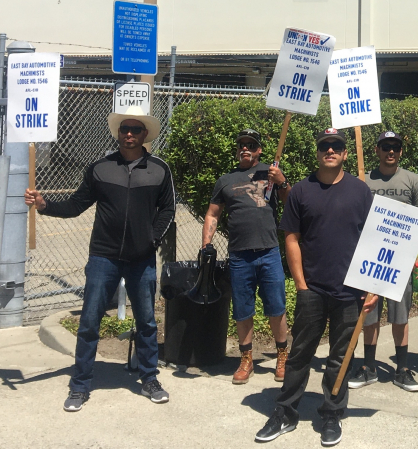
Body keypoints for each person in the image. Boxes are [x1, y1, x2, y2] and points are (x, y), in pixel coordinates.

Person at [24, 105, 176, 413]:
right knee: (90, 322)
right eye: (124, 129)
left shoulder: (159, 169)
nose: (129, 134)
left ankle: (149, 379)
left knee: (146, 322)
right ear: (118, 133)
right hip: (103, 257)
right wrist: (44, 205)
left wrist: (152, 238)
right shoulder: (100, 168)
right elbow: (76, 205)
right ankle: (80, 385)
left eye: (135, 130)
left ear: (145, 134)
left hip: (142, 259)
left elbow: (168, 210)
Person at [255, 128, 377, 447]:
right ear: (318, 152)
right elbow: (291, 238)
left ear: (346, 153)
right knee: (299, 354)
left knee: (340, 356)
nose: (331, 151)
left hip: (350, 291)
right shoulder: (300, 192)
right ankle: (285, 412)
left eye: (337, 146)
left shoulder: (361, 191)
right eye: (325, 147)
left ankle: (332, 414)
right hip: (313, 289)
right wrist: (301, 284)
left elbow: (374, 239)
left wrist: (372, 286)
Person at [201, 128, 291, 385]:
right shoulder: (225, 180)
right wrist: (206, 245)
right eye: (242, 144)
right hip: (240, 256)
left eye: (251, 144)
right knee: (242, 310)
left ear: (259, 149)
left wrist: (282, 180)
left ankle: (282, 356)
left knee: (277, 307)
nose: (245, 148)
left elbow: (292, 202)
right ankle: (246, 359)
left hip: (269, 251)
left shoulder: (270, 173)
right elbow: (213, 214)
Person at [348, 131, 418, 392]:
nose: (391, 151)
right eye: (386, 147)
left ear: (401, 152)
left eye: (395, 147)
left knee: (400, 316)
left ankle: (402, 370)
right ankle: (369, 368)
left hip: (401, 261)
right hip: (370, 259)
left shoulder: (412, 181)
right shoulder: (363, 181)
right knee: (368, 313)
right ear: (377, 150)